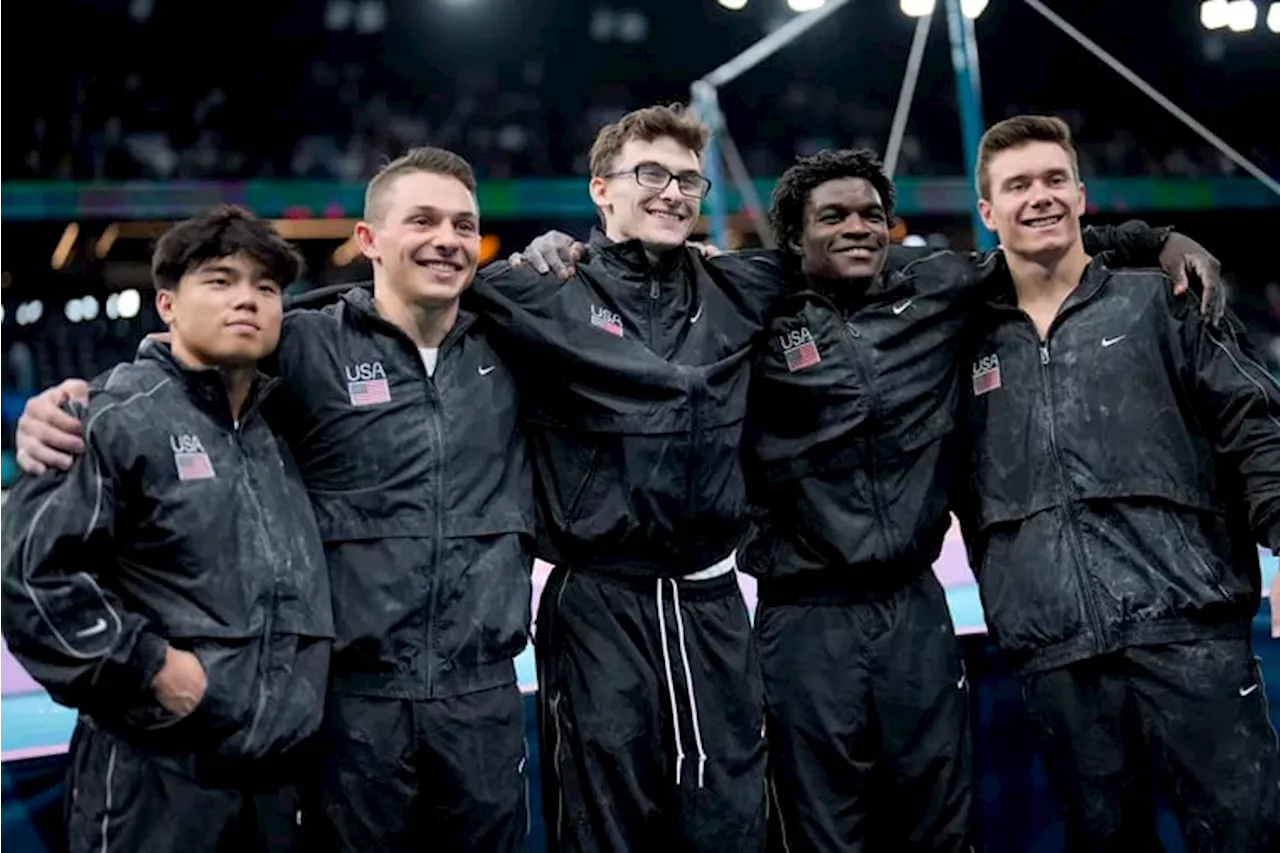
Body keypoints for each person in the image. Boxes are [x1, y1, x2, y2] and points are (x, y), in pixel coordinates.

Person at [511, 149, 1223, 853]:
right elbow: (645, 288)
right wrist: (561, 251)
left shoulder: (937, 286)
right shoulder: (743, 300)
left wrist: (1157, 241)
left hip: (912, 607)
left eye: (872, 214)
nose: (858, 226)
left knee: (940, 821)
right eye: (834, 216)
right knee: (824, 832)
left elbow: (1040, 248)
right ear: (793, 240)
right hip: (804, 616)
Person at [12, 148, 535, 852]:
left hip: (453, 708)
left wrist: (562, 254)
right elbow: (34, 575)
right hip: (318, 719)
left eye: (463, 223)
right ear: (369, 239)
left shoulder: (512, 343)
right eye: (422, 218)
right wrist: (69, 403)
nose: (446, 237)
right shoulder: (299, 351)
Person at [953, 115, 1280, 851]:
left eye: (1052, 180)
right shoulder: (958, 336)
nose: (1038, 197)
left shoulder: (1164, 300)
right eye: (1017, 185)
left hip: (1189, 628)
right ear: (987, 212)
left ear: (1081, 193)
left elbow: (1255, 426)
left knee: (1246, 835)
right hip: (1056, 648)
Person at [0, 206, 335, 853]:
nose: (247, 299)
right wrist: (152, 666)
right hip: (154, 782)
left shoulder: (278, 430)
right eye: (220, 280)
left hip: (271, 785)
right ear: (166, 304)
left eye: (266, 288)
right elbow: (30, 581)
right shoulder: (109, 416)